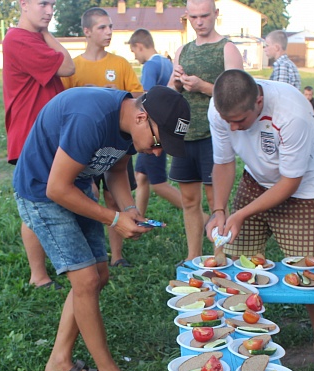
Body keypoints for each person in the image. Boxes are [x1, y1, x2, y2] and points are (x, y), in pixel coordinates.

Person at [13, 85, 190, 371]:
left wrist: (127, 209)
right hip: (43, 192)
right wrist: (112, 219)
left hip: (76, 185)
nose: (157, 152)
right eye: (159, 142)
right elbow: (56, 188)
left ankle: (60, 361)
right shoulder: (90, 118)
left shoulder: (128, 124)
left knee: (98, 276)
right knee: (86, 280)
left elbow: (117, 169)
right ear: (141, 117)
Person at [204, 70, 314, 371]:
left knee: (308, 271)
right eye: (229, 122)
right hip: (255, 178)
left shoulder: (292, 114)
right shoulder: (220, 110)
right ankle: (241, 331)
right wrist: (220, 210)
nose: (234, 127)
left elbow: (290, 181)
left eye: (240, 121)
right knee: (237, 262)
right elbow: (223, 162)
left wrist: (241, 213)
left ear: (259, 101)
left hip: (303, 188)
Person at [62, 7, 144, 268]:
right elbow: (63, 105)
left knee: (113, 196)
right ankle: (91, 253)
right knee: (87, 195)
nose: (108, 32)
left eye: (110, 27)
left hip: (116, 143)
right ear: (87, 31)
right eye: (102, 27)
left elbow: (139, 99)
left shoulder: (119, 63)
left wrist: (115, 94)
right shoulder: (73, 67)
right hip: (83, 146)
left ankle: (117, 255)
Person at [4, 0, 75, 290]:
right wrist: (46, 33)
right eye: (43, 3)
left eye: (52, 5)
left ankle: (63, 263)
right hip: (31, 135)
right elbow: (68, 65)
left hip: (48, 133)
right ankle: (39, 275)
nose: (49, 10)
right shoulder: (19, 39)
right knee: (35, 205)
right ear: (23, 4)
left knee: (56, 197)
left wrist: (44, 32)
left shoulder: (35, 38)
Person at [169, 0, 243, 263]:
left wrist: (202, 86)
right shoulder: (183, 50)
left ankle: (219, 256)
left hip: (215, 135)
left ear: (216, 14)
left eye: (204, 16)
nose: (199, 22)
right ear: (187, 16)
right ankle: (193, 257)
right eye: (194, 17)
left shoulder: (228, 49)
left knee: (216, 200)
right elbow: (170, 93)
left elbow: (238, 95)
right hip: (184, 134)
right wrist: (176, 82)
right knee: (189, 200)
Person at [128, 28, 183, 217]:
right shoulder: (165, 63)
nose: (135, 57)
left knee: (159, 184)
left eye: (134, 52)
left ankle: (202, 217)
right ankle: (140, 219)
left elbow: (147, 99)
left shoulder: (150, 66)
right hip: (165, 126)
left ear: (139, 46)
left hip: (153, 131)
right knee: (141, 177)